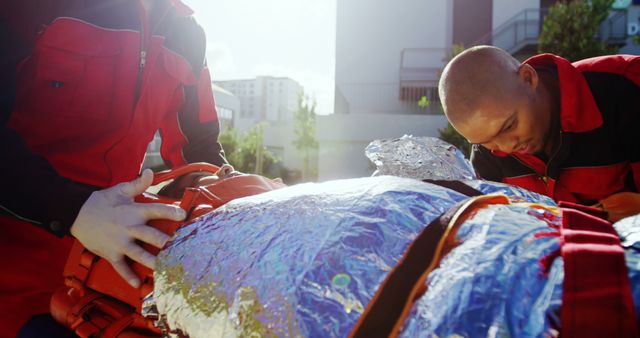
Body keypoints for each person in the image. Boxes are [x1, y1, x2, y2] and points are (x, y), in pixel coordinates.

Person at [0, 0, 229, 335]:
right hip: (13, 277)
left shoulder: (187, 32)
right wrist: (73, 209)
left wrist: (243, 198)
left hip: (107, 281)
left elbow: (201, 150)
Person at [438, 45, 640, 221]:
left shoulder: (626, 87)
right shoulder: (486, 153)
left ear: (528, 78)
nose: (506, 148)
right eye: (487, 141)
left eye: (509, 126)